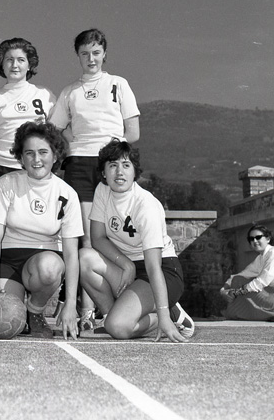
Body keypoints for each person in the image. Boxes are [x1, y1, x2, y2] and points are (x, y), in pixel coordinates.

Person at [49, 28, 140, 330]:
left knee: (114, 235)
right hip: (79, 164)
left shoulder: (118, 84)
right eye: (85, 53)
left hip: (109, 164)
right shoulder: (70, 91)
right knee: (87, 238)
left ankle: (123, 300)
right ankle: (87, 311)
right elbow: (54, 127)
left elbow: (133, 132)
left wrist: (113, 153)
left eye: (96, 52)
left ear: (104, 54)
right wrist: (74, 140)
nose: (91, 58)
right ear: (78, 56)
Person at [79, 139, 194, 342]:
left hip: (161, 271)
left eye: (126, 165)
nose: (119, 172)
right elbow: (97, 238)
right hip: (126, 266)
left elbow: (153, 267)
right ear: (104, 172)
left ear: (135, 172)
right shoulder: (102, 190)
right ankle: (110, 317)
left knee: (119, 327)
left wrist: (163, 315)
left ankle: (167, 315)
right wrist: (126, 264)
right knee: (84, 258)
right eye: (112, 165)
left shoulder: (146, 206)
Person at [0, 121, 83, 340]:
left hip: (43, 262)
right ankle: (17, 308)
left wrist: (69, 304)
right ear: (21, 157)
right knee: (3, 320)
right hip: (8, 261)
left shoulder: (67, 194)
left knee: (49, 268)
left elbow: (71, 254)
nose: (36, 159)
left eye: (43, 152)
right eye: (29, 153)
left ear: (55, 156)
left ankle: (35, 311)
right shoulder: (7, 183)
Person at [0, 38, 56, 188]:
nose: (15, 65)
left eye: (21, 60)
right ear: (2, 64)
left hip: (36, 167)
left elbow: (56, 135)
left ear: (29, 65)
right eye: (9, 60)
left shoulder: (45, 94)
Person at [220, 224, 274, 322]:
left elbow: (263, 280)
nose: (255, 241)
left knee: (241, 293)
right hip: (269, 295)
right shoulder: (261, 258)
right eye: (251, 239)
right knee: (238, 280)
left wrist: (238, 292)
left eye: (258, 237)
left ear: (268, 239)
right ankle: (238, 312)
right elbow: (245, 273)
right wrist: (224, 289)